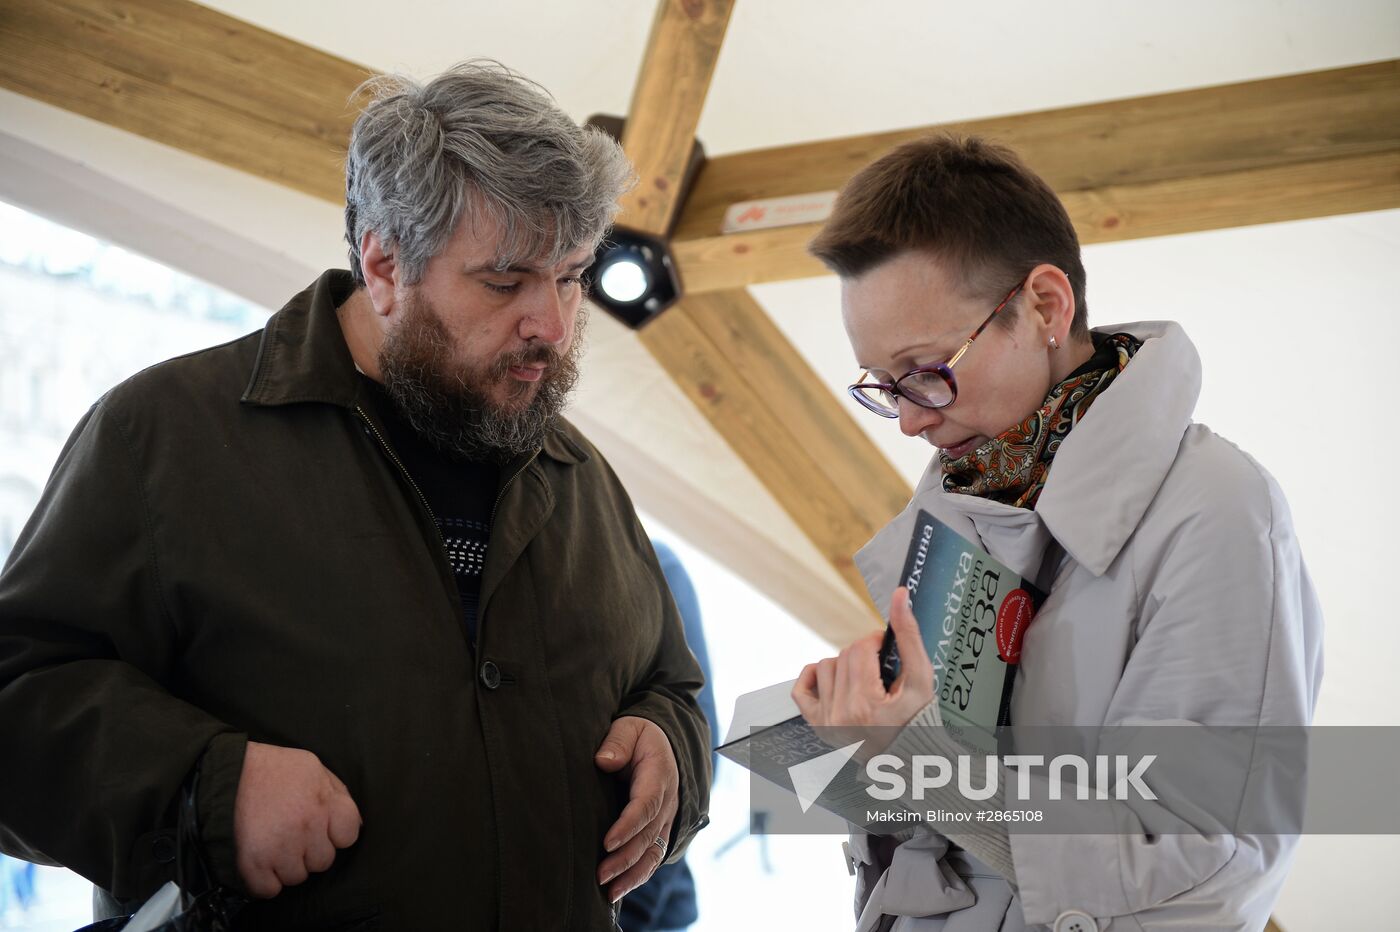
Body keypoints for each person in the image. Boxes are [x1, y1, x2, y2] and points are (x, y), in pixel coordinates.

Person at [0, 62, 711, 931]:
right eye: (504, 281)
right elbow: (18, 698)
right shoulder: (166, 439)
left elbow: (670, 687)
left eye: (570, 277)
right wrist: (200, 788)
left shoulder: (584, 480)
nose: (554, 326)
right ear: (383, 263)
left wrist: (672, 749)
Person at [790, 136, 1322, 931]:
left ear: (1045, 305)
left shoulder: (1218, 510)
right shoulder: (971, 496)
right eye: (882, 386)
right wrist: (858, 742)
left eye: (928, 369)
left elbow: (1201, 859)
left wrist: (928, 767)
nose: (906, 420)